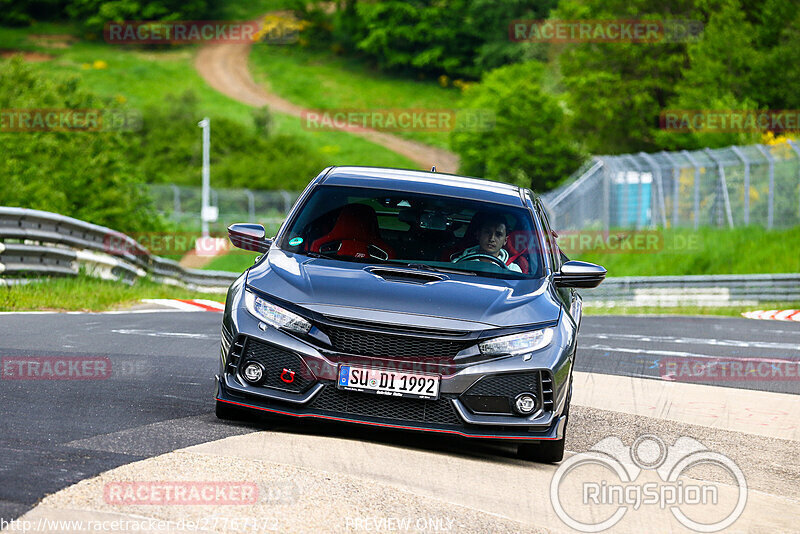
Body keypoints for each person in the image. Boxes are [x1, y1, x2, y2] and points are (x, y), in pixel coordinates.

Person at [451, 213, 522, 272]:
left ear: (505, 240)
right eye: (487, 232)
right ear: (478, 235)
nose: (492, 239)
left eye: (498, 234)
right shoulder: (458, 264)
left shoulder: (513, 270)